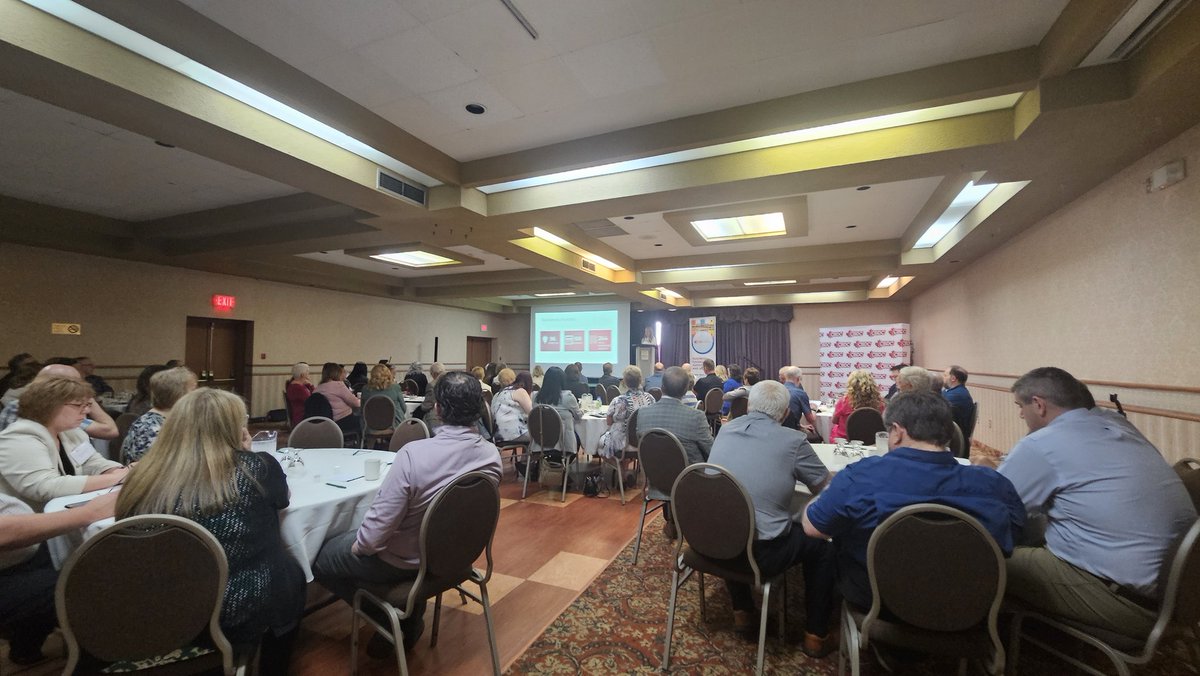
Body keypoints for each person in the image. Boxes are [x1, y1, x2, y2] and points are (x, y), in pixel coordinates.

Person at [313, 372, 502, 658]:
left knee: (317, 557)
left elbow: (372, 540)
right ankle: (405, 614)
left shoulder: (413, 455)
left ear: (437, 408)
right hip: (457, 555)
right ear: (479, 409)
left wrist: (356, 546)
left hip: (403, 562)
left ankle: (392, 619)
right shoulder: (491, 455)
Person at [998, 367, 1196, 638]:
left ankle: (992, 643)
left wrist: (986, 474)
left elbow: (996, 506)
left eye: (1020, 406)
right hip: (1184, 591)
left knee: (985, 553)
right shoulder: (1120, 425)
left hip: (1124, 602)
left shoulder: (1041, 444)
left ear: (1039, 405)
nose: (1021, 414)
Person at [116, 389, 304, 675]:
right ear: (236, 427)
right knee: (291, 569)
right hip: (234, 613)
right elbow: (282, 499)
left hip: (152, 610)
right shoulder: (256, 468)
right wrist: (248, 452)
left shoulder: (141, 477)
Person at [804, 391, 1026, 614]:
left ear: (898, 432)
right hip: (969, 604)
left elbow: (813, 527)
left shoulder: (861, 476)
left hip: (878, 598)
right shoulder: (993, 484)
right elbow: (1015, 535)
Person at [709, 380, 836, 656]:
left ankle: (742, 611)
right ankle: (815, 633)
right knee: (824, 545)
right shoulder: (793, 440)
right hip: (761, 554)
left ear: (750, 405)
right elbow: (826, 490)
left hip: (711, 539)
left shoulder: (725, 430)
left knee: (733, 514)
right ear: (785, 413)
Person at [0, 491, 117, 665]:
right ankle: (100, 664)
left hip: (19, 555)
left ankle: (25, 647)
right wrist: (89, 512)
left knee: (78, 564)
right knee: (90, 587)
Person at [0, 376, 126, 510]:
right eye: (78, 405)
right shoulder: (19, 438)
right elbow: (44, 487)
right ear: (48, 405)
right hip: (30, 520)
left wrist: (121, 471)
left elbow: (92, 462)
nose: (87, 411)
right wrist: (117, 478)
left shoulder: (71, 432)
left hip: (65, 511)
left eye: (87, 405)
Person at [636, 366, 714, 538]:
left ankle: (671, 520)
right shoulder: (695, 417)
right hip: (690, 483)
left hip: (656, 482)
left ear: (662, 388)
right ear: (687, 389)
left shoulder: (642, 414)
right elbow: (712, 452)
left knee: (668, 462)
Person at [0, 364, 119, 439]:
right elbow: (109, 430)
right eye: (75, 383)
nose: (78, 387)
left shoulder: (68, 416)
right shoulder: (23, 409)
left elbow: (110, 431)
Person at [120, 366, 197, 463]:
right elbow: (159, 470)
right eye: (193, 390)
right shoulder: (149, 429)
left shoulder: (170, 420)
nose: (197, 395)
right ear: (178, 394)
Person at [598, 366, 655, 468]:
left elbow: (609, 422)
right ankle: (625, 470)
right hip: (644, 441)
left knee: (600, 445)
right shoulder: (650, 398)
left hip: (623, 444)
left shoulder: (618, 400)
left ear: (624, 381)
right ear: (640, 380)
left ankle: (621, 472)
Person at [533, 367, 582, 457]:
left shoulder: (536, 397)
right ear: (563, 380)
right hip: (562, 442)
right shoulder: (568, 397)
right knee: (578, 437)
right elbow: (578, 417)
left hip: (540, 439)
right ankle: (561, 466)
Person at [829, 369, 885, 441]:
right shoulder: (879, 402)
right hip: (871, 438)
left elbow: (834, 421)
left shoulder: (844, 401)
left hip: (845, 438)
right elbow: (881, 422)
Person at [315, 362, 361, 437]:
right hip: (342, 420)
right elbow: (356, 403)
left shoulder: (317, 388)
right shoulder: (338, 385)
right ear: (336, 373)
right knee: (363, 420)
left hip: (326, 422)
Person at [360, 363, 409, 430]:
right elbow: (404, 408)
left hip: (371, 426)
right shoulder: (395, 387)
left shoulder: (365, 389)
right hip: (394, 426)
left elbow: (362, 410)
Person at [491, 369, 533, 443]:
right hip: (514, 434)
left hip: (497, 436)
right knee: (541, 434)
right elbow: (533, 414)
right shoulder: (520, 391)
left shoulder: (496, 395)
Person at [780, 366, 818, 434]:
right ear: (798, 379)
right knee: (815, 434)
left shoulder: (777, 390)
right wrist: (813, 409)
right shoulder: (800, 393)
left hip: (778, 429)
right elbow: (811, 419)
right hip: (792, 431)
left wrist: (800, 425)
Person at [942, 365, 975, 442]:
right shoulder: (953, 391)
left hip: (954, 439)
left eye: (945, 375)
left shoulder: (957, 395)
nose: (943, 378)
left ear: (953, 378)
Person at [285, 362, 315, 427]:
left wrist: (309, 385)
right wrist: (311, 385)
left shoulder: (295, 386)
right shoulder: (298, 388)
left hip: (301, 415)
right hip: (302, 417)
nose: (308, 374)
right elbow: (313, 400)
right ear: (302, 374)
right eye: (307, 372)